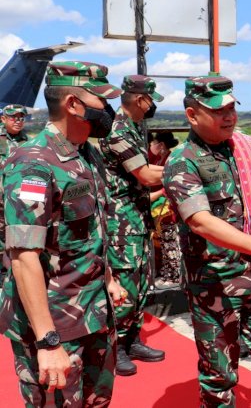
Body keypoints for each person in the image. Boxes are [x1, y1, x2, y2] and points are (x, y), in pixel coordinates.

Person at [163, 75, 251, 407]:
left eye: (231, 108)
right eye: (217, 111)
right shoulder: (183, 160)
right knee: (220, 375)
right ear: (192, 115)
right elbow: (201, 222)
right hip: (215, 285)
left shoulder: (243, 149)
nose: (229, 116)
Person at [0, 61, 126, 406]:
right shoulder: (33, 164)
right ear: (73, 104)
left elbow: (91, 228)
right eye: (102, 100)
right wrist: (48, 341)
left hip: (93, 313)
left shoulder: (86, 155)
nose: (110, 110)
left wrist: (109, 277)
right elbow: (23, 258)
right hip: (54, 323)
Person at [99, 75, 166, 376]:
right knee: (124, 285)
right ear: (141, 99)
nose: (153, 107)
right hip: (121, 221)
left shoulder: (136, 127)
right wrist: (183, 167)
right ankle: (116, 348)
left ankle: (133, 338)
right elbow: (147, 176)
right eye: (152, 100)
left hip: (137, 218)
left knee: (140, 284)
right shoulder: (118, 131)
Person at [148, 132, 183, 286]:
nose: (150, 147)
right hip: (159, 207)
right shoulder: (161, 159)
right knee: (163, 242)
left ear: (160, 145)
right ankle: (167, 273)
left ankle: (173, 275)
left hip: (166, 207)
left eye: (152, 143)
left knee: (169, 242)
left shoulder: (169, 160)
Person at [0, 104, 29, 282]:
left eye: (21, 117)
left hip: (17, 198)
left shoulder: (27, 141)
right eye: (13, 117)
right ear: (3, 119)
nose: (17, 121)